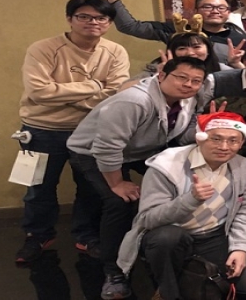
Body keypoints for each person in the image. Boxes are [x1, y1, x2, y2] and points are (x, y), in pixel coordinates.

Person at [67, 56, 206, 299]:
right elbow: (107, 147)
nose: (188, 84)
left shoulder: (188, 99)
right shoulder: (134, 100)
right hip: (91, 152)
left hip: (139, 150)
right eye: (181, 77)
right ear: (161, 75)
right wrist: (117, 183)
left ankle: (163, 248)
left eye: (196, 81)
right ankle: (114, 272)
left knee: (182, 181)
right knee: (119, 202)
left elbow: (179, 134)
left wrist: (206, 128)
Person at [16, 0, 130, 263]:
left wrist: (62, 94)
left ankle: (86, 236)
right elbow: (38, 92)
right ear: (70, 19)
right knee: (37, 187)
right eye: (84, 16)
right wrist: (95, 86)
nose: (93, 22)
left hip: (90, 131)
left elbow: (116, 93)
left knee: (90, 188)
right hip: (40, 130)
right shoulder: (43, 48)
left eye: (101, 18)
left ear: (109, 22)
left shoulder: (115, 51)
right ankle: (37, 236)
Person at [116, 110, 246, 299]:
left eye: (233, 141)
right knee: (166, 238)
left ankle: (192, 273)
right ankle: (166, 291)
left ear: (241, 143)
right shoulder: (166, 166)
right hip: (175, 235)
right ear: (200, 138)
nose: (224, 147)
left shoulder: (242, 165)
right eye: (216, 139)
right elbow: (148, 219)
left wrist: (240, 248)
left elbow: (245, 209)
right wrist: (190, 199)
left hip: (215, 234)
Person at [97, 0, 246, 64]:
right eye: (207, 7)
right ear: (196, 11)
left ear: (228, 12)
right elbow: (129, 26)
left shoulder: (239, 35)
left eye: (221, 8)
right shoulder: (178, 30)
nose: (215, 11)